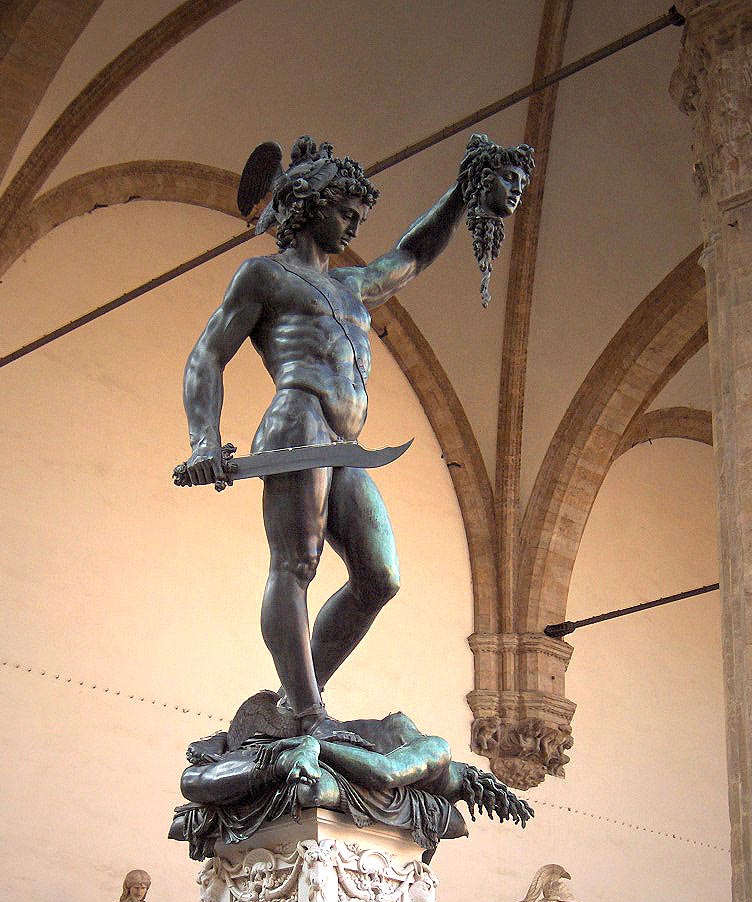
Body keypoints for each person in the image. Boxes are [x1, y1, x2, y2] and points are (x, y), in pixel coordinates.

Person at [177, 135, 530, 740]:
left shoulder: (352, 287)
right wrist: (204, 442)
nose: (352, 226)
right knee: (296, 563)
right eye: (346, 212)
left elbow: (412, 253)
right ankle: (310, 713)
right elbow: (207, 357)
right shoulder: (264, 276)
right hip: (298, 422)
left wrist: (463, 191)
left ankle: (296, 702)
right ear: (311, 205)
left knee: (379, 577)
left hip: (345, 444)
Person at [170, 697, 532, 860]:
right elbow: (383, 771)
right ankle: (275, 761)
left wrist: (313, 747)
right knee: (193, 781)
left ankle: (277, 762)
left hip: (314, 753)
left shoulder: (431, 753)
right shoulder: (423, 746)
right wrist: (310, 744)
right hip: (309, 746)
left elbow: (384, 774)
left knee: (311, 788)